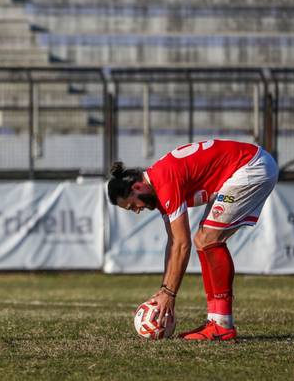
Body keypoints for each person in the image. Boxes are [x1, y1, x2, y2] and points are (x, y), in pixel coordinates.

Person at [107, 139, 278, 340]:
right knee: (203, 240)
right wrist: (163, 289)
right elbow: (173, 243)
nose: (136, 210)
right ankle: (215, 322)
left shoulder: (164, 180)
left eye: (132, 205)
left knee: (207, 239)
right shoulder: (159, 183)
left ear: (137, 187)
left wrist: (169, 294)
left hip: (251, 166)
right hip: (249, 164)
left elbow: (182, 243)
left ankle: (222, 325)